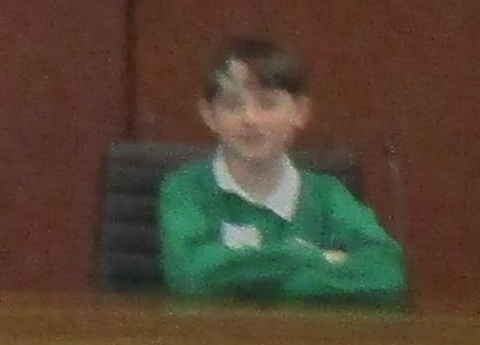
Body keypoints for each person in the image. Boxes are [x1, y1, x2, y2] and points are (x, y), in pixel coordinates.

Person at [156, 34, 405, 304]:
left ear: (300, 112)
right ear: (209, 115)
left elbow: (388, 273)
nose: (250, 119)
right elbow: (191, 276)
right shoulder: (185, 190)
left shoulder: (327, 196)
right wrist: (306, 256)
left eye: (268, 104)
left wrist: (246, 277)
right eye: (232, 105)